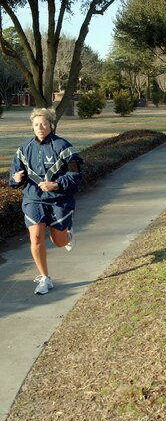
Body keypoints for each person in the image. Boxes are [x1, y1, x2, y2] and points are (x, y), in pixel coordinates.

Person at [9, 108, 83, 295]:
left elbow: (75, 175)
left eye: (43, 124)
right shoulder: (24, 150)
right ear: (32, 127)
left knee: (58, 242)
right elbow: (14, 175)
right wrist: (15, 178)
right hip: (33, 199)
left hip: (59, 200)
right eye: (36, 124)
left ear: (51, 125)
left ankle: (67, 235)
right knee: (35, 236)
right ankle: (45, 278)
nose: (40, 127)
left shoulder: (64, 147)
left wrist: (56, 184)